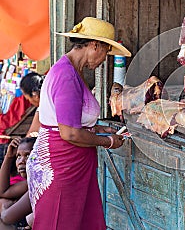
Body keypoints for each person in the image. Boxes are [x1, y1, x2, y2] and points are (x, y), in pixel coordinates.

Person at [26, 17, 131, 230]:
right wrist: (108, 141)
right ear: (95, 46)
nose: (104, 60)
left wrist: (98, 129)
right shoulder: (66, 76)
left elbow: (71, 120)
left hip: (74, 166)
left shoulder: (72, 70)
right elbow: (70, 133)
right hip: (62, 167)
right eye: (105, 52)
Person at [0, 137, 36, 229]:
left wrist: (4, 208)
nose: (21, 161)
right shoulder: (26, 183)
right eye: (18, 156)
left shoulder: (38, 183)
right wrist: (9, 156)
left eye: (27, 155)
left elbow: (6, 217)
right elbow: (3, 191)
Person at [19, 72, 45, 137]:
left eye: (28, 99)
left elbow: (30, 134)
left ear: (35, 95)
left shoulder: (43, 108)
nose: (30, 102)